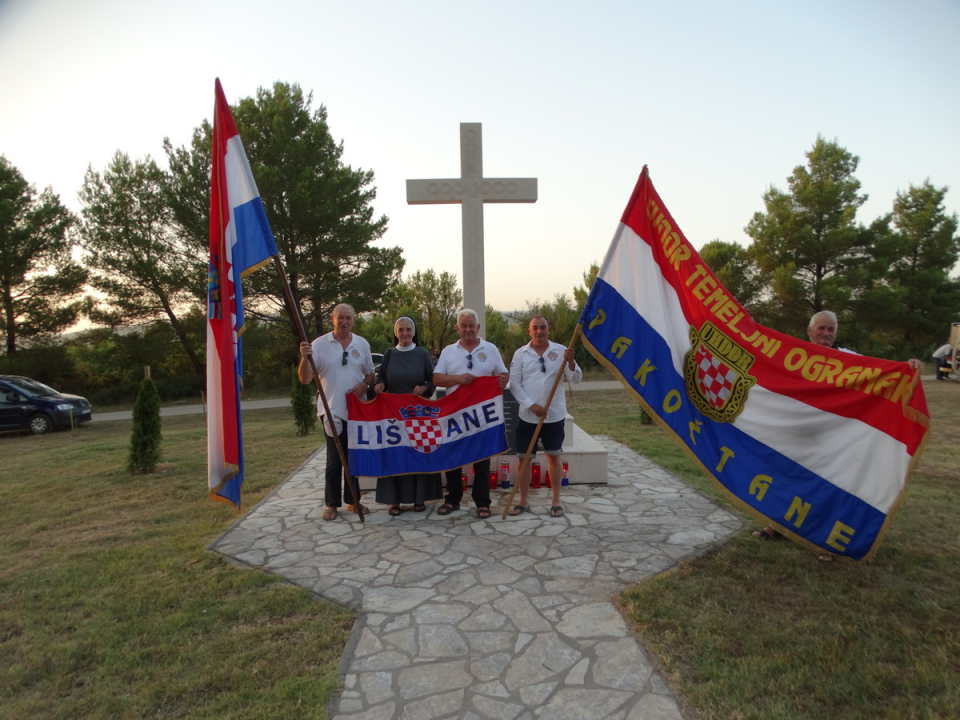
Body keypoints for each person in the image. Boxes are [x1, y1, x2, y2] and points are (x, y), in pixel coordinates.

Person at [753, 310, 922, 560]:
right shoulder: (794, 353)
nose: (826, 333)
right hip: (798, 436)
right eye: (821, 328)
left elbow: (881, 374)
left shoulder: (850, 359)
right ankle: (777, 526)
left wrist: (908, 368)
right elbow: (766, 363)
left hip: (835, 440)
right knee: (788, 481)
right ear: (809, 331)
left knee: (828, 488)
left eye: (831, 329)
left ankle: (826, 543)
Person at [298, 303, 375, 521]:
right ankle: (331, 504)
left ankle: (353, 500)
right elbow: (304, 379)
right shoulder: (319, 345)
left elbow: (370, 374)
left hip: (357, 412)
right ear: (333, 319)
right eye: (340, 318)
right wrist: (304, 358)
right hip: (331, 411)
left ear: (354, 320)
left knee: (354, 458)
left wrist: (365, 386)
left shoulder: (362, 344)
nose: (344, 322)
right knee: (334, 458)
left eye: (348, 318)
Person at [432, 309, 509, 518]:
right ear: (457, 328)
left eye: (471, 325)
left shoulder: (490, 349)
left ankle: (482, 502)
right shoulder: (448, 351)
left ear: (478, 328)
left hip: (481, 415)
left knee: (482, 460)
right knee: (453, 459)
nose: (467, 329)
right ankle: (453, 500)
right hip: (455, 414)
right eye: (463, 325)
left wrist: (503, 380)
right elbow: (437, 379)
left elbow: (503, 373)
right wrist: (458, 379)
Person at [507, 315, 582, 518]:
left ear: (549, 329)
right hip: (528, 416)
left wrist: (572, 361)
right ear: (529, 331)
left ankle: (556, 502)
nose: (539, 331)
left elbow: (576, 379)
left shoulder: (561, 351)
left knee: (554, 456)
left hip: (553, 414)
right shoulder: (520, 354)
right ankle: (523, 501)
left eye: (543, 327)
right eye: (535, 328)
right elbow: (514, 384)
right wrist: (531, 406)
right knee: (524, 459)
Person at [373, 317, 443, 514]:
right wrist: (380, 385)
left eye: (408, 330)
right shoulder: (389, 354)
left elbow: (433, 380)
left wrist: (424, 388)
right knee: (396, 454)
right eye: (401, 330)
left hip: (418, 413)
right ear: (396, 332)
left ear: (413, 332)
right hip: (393, 415)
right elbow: (383, 379)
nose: (405, 333)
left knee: (417, 452)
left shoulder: (422, 354)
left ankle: (419, 498)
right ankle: (393, 500)